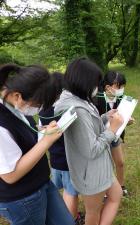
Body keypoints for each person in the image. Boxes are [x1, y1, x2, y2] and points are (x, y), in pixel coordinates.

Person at [0, 64, 74, 225]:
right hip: (22, 198)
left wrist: (42, 130)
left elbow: (21, 133)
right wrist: (46, 141)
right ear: (18, 96)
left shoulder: (13, 104)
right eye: (37, 104)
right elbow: (10, 175)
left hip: (41, 183)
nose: (39, 109)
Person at [54, 58, 123, 225]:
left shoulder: (80, 98)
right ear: (83, 81)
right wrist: (112, 129)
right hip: (90, 173)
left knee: (116, 195)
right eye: (95, 83)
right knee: (93, 212)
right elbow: (91, 149)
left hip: (100, 167)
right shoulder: (76, 108)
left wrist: (106, 117)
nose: (97, 87)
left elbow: (88, 128)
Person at [38, 72, 83, 224]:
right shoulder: (64, 109)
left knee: (60, 189)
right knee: (71, 193)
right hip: (68, 159)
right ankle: (72, 219)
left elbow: (43, 130)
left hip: (54, 157)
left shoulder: (43, 109)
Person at [94, 71, 134, 196]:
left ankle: (121, 186)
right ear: (108, 87)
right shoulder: (96, 99)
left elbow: (123, 115)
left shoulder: (122, 99)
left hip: (115, 136)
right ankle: (106, 191)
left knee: (120, 162)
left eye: (123, 86)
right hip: (101, 138)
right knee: (106, 166)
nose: (122, 89)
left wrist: (127, 121)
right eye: (119, 86)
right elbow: (93, 121)